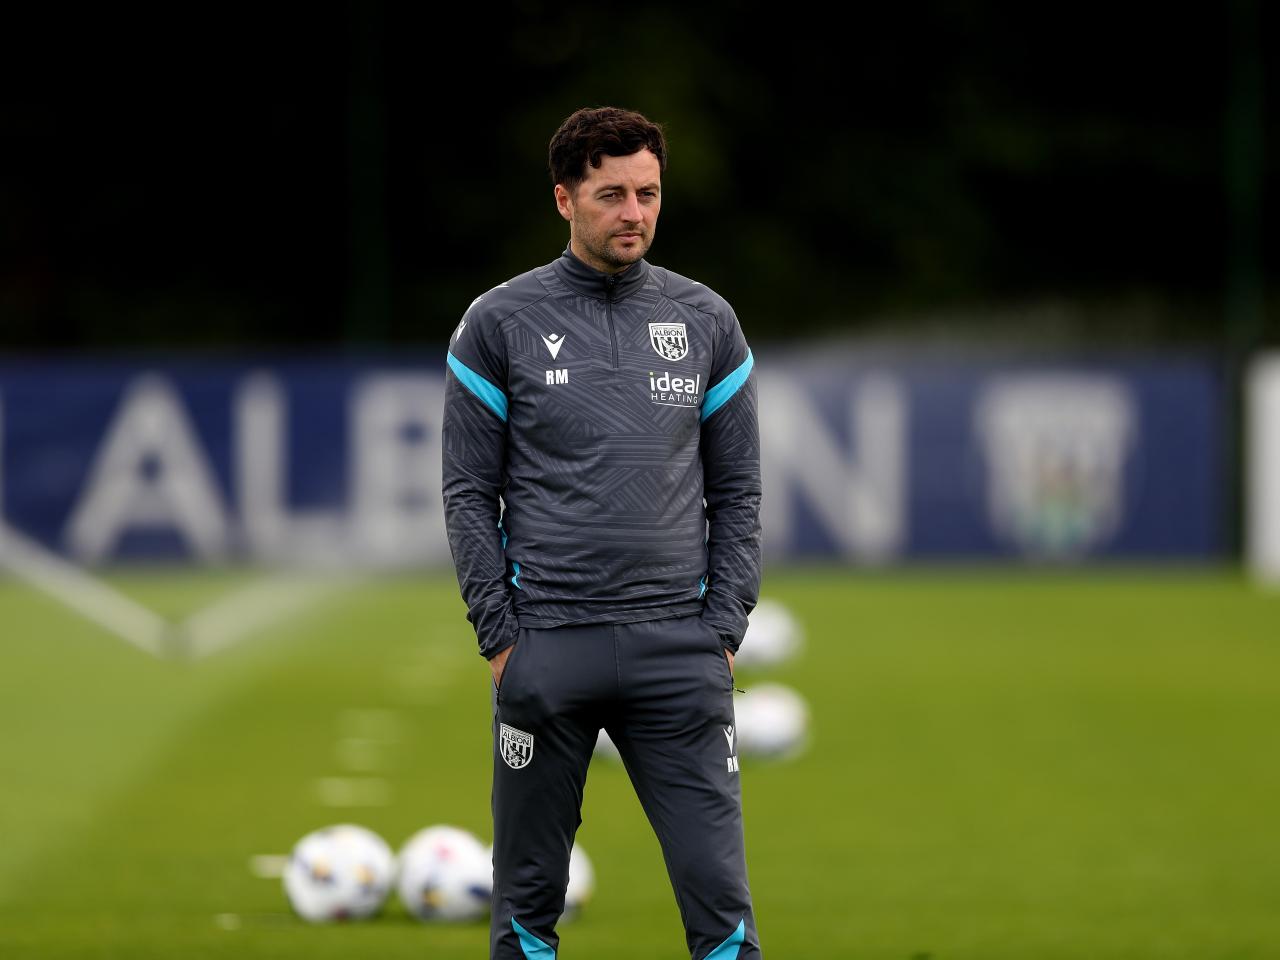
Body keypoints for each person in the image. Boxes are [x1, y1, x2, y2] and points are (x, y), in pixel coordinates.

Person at [442, 105, 763, 960]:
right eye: (612, 193)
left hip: (678, 653)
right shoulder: (498, 323)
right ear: (564, 200)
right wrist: (502, 639)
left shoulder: (707, 323)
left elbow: (738, 496)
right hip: (546, 647)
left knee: (723, 917)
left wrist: (722, 631)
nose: (635, 212)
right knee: (526, 914)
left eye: (649, 193)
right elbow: (468, 494)